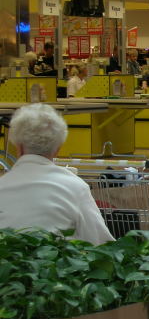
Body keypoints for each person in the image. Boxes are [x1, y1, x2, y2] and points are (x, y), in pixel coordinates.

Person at [0, 104, 114, 245]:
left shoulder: (2, 186)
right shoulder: (76, 187)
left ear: (19, 146)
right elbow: (101, 244)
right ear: (58, 148)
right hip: (57, 263)